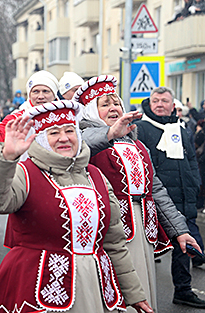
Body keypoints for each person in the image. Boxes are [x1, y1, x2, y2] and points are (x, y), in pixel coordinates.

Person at [0, 101, 152, 313]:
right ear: (41, 139)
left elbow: (114, 243)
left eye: (70, 130)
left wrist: (134, 293)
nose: (64, 138)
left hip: (93, 287)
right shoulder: (26, 173)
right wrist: (6, 158)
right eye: (54, 133)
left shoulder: (96, 176)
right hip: (37, 289)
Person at [76, 75, 200, 312]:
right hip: (109, 233)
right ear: (92, 111)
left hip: (142, 227)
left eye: (116, 103)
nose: (113, 108)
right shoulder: (84, 139)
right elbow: (82, 147)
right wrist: (110, 133)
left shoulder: (136, 144)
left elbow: (155, 189)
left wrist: (180, 230)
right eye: (105, 104)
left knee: (142, 286)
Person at [135, 86, 205, 308]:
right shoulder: (141, 128)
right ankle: (140, 296)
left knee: (183, 248)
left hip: (184, 197)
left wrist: (194, 184)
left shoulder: (181, 129)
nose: (159, 104)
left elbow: (191, 160)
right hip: (157, 201)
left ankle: (183, 290)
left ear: (172, 105)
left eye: (164, 101)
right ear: (150, 103)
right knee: (147, 250)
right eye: (155, 100)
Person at [0, 70, 59, 148]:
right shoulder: (16, 119)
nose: (40, 96)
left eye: (45, 91)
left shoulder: (66, 117)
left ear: (54, 95)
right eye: (35, 91)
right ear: (29, 95)